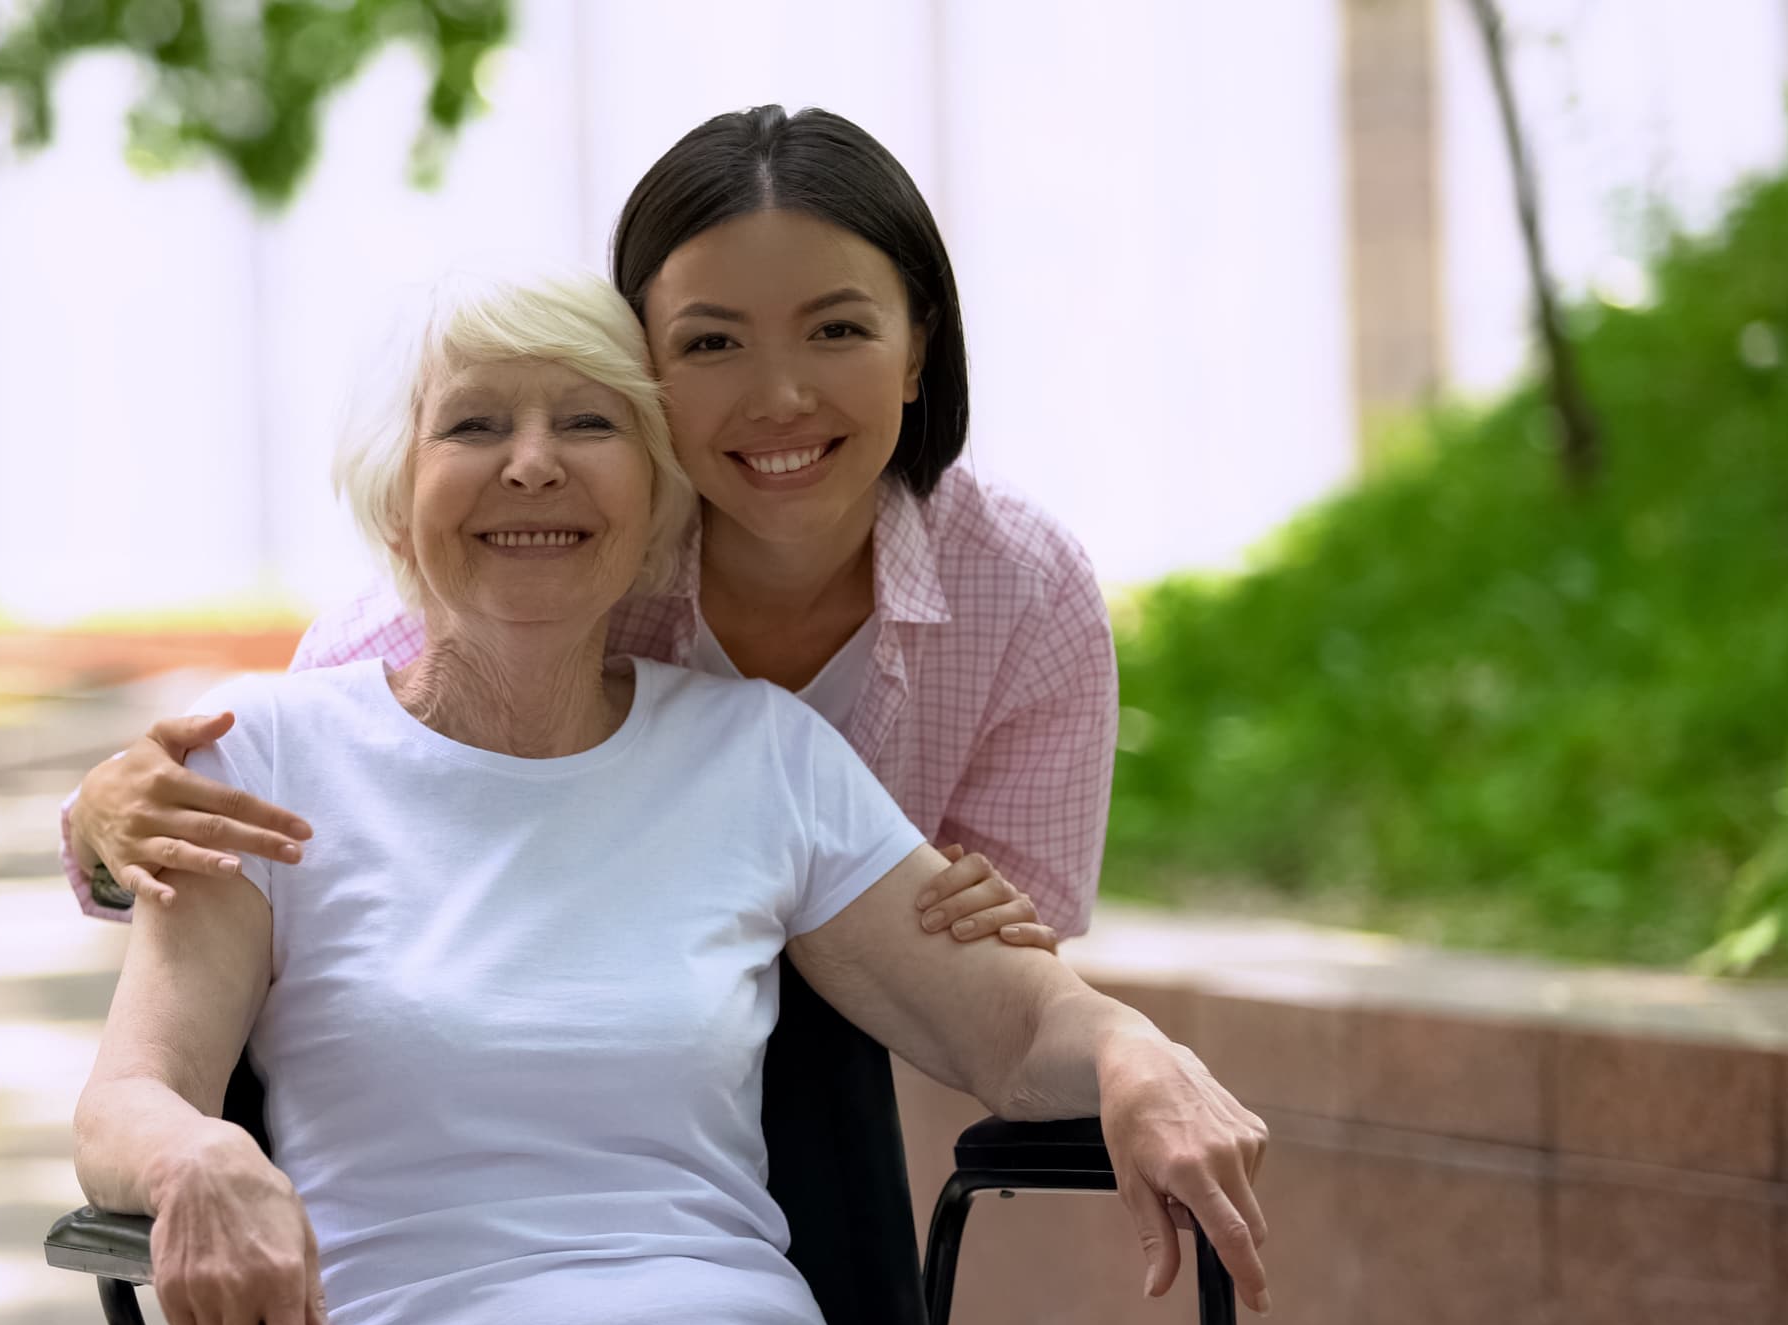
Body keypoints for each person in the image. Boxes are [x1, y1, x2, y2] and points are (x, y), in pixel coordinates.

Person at [72, 266, 1269, 1325]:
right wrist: (194, 1158)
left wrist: (1132, 1054)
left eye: (587, 421)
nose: (531, 460)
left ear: (657, 501)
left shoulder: (760, 757)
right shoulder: (266, 756)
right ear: (396, 497)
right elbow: (132, 1094)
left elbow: (1009, 1029)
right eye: (474, 423)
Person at [60, 104, 1114, 962]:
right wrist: (103, 831)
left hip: (853, 1121)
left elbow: (1011, 955)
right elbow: (285, 792)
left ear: (919, 349)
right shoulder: (564, 548)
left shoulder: (1022, 589)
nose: (781, 395)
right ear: (638, 366)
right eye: (711, 343)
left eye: (838, 331)